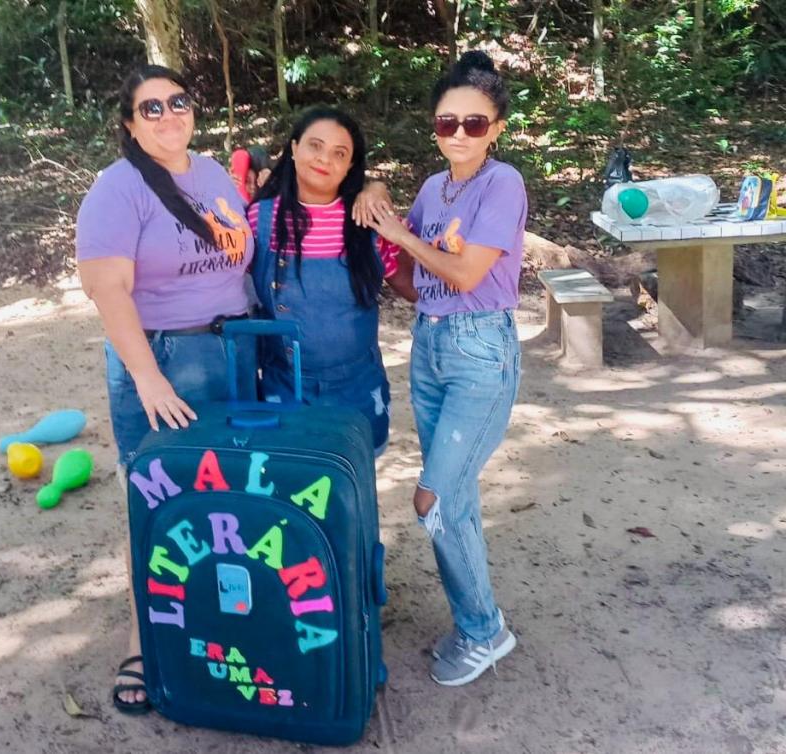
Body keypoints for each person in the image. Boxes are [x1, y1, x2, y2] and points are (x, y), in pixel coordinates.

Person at [75, 64, 255, 714]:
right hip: (166, 361)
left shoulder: (210, 175)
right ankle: (141, 640)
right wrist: (148, 376)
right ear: (129, 123)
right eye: (150, 108)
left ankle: (222, 621)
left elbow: (239, 250)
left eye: (178, 101)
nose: (168, 114)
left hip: (232, 352)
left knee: (231, 494)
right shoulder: (116, 190)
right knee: (161, 503)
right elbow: (107, 288)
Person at [359, 50, 526, 686]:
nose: (458, 134)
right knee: (454, 501)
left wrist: (398, 232)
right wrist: (377, 247)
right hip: (429, 348)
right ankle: (480, 623)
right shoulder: (435, 189)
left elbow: (463, 272)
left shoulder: (502, 184)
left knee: (433, 497)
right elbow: (420, 284)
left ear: (497, 128)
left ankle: (485, 631)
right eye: (446, 122)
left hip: (481, 353)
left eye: (474, 123)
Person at [247, 106, 415, 456]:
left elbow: (411, 287)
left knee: (349, 490)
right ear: (293, 149)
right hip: (284, 386)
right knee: (290, 486)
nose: (324, 159)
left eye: (340, 153)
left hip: (358, 387)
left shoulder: (368, 219)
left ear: (351, 166)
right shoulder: (259, 219)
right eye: (315, 146)